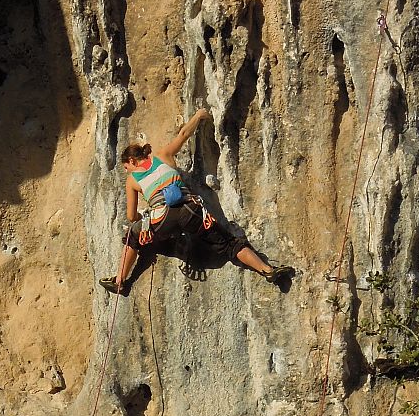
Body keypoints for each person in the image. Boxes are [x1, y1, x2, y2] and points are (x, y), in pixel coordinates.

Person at [99, 108, 294, 295]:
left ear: (132, 161)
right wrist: (199, 116)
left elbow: (131, 216)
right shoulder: (163, 156)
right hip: (190, 212)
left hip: (162, 220)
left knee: (133, 236)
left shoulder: (133, 180)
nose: (127, 171)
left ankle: (120, 281)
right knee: (229, 242)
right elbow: (183, 134)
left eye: (126, 167)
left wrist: (143, 218)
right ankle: (267, 269)